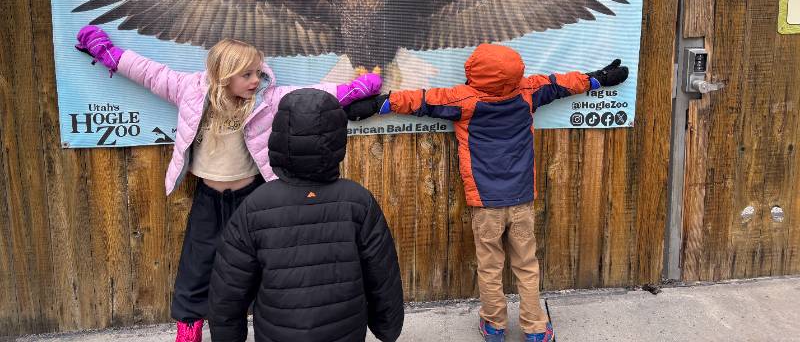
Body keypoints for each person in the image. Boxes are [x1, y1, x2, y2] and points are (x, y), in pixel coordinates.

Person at [74, 26, 381, 342]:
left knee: (258, 264)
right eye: (246, 74)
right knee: (196, 265)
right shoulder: (190, 90)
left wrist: (352, 90)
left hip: (252, 200)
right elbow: (151, 74)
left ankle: (264, 322)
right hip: (208, 199)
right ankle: (189, 325)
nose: (255, 80)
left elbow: (310, 96)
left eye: (258, 72)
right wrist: (109, 54)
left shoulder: (267, 99)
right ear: (223, 75)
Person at [345, 43, 628, 342]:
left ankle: (494, 326)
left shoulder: (463, 100)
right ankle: (536, 329)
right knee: (527, 266)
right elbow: (561, 85)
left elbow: (421, 101)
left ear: (475, 72)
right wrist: (598, 78)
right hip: (521, 201)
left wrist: (379, 104)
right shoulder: (528, 91)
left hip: (485, 204)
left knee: (490, 268)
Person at [208, 87, 404, 342]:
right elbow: (382, 274)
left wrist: (228, 336)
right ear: (337, 139)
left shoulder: (256, 206)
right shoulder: (357, 201)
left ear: (279, 138)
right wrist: (387, 327)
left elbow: (229, 286)